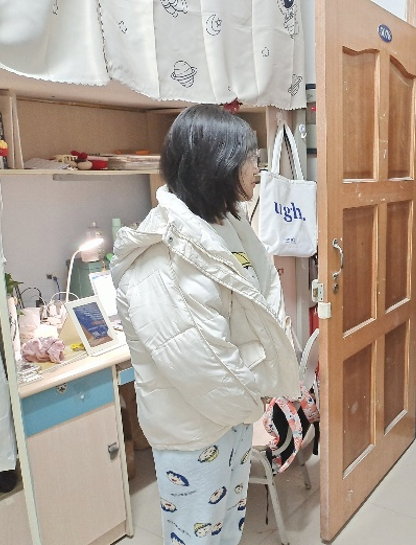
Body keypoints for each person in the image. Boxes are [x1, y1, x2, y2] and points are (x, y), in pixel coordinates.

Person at [114, 105, 299, 545]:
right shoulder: (165, 255)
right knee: (198, 536)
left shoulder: (225, 225)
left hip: (231, 414)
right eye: (250, 158)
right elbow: (202, 365)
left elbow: (258, 305)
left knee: (227, 528)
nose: (258, 169)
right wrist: (254, 399)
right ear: (217, 164)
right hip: (195, 430)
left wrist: (257, 393)